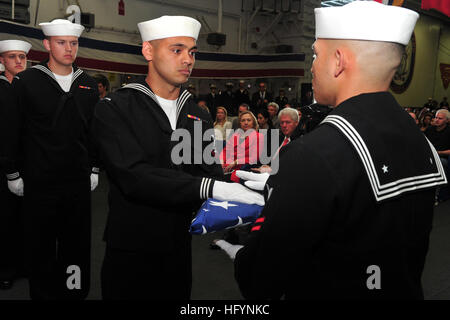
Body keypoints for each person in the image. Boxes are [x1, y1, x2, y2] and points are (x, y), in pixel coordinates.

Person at [233, 1, 447, 300]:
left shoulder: (314, 152)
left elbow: (259, 280)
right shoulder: (418, 138)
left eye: (315, 54)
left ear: (338, 61)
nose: (312, 65)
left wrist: (270, 207)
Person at [92, 15, 263, 300]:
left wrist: (249, 187)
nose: (188, 60)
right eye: (177, 50)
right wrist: (211, 187)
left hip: (179, 245)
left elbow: (207, 172)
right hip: (131, 243)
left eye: (192, 52)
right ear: (148, 51)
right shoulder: (115, 108)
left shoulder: (198, 114)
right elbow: (134, 176)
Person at [3, 19, 101, 300]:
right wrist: (12, 172)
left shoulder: (88, 84)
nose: (69, 48)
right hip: (39, 181)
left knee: (77, 245)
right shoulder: (26, 82)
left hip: (77, 182)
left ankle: (73, 292)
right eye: (61, 42)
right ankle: (43, 295)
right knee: (40, 245)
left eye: (73, 43)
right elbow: (11, 129)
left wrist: (94, 167)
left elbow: (94, 131)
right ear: (47, 44)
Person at [0, 39, 31, 290]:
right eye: (13, 57)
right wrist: (10, 171)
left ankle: (24, 265)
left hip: (31, 165)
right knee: (5, 219)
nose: (19, 61)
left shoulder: (30, 87)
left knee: (27, 219)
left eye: (22, 56)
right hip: (4, 166)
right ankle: (6, 269)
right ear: (2, 61)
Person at [425, 109, 450, 202]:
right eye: (435, 117)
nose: (436, 120)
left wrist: (439, 153)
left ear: (447, 120)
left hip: (443, 157)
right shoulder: (430, 129)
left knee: (439, 163)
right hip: (429, 155)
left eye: (440, 118)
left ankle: (436, 194)